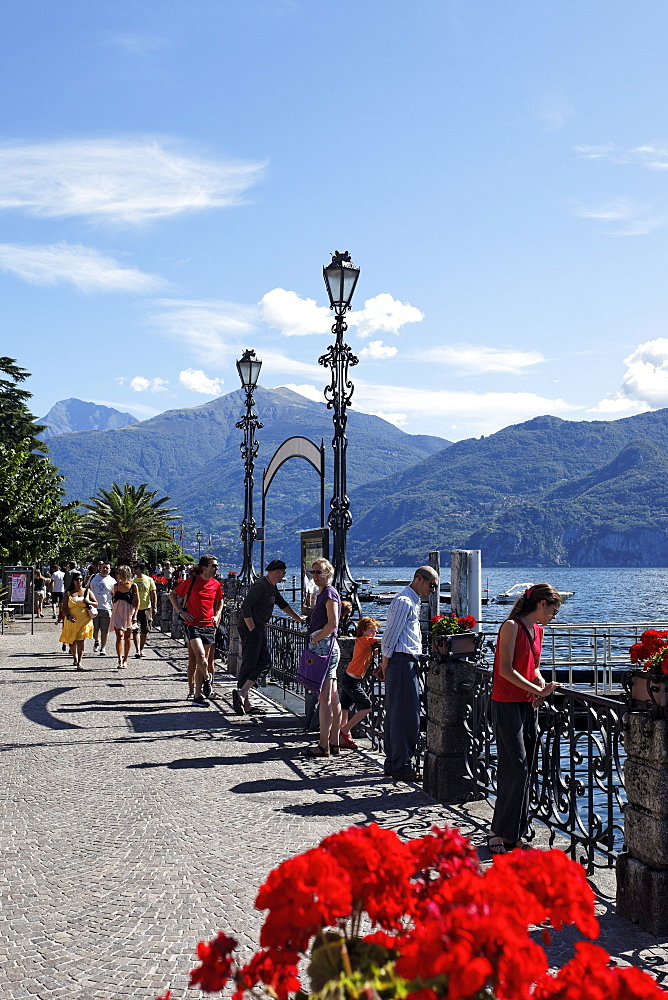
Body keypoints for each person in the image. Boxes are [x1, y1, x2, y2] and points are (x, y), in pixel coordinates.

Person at [487, 584, 561, 855]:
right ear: (541, 604)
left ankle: (514, 833)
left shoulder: (538, 630)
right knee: (515, 766)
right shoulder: (511, 626)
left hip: (526, 704)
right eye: (553, 610)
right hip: (505, 703)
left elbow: (533, 667)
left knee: (526, 766)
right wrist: (537, 690)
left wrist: (541, 683)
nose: (554, 616)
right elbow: (505, 670)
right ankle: (497, 831)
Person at [379, 566, 439, 781]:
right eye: (431, 584)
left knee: (398, 714)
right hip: (402, 661)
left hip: (403, 661)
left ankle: (395, 762)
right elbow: (390, 636)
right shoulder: (404, 601)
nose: (433, 589)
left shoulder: (411, 600)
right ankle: (402, 765)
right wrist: (385, 664)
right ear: (418, 579)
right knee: (406, 716)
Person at [233, 559, 304, 715]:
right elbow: (246, 606)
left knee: (261, 662)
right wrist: (252, 627)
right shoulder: (261, 585)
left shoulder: (272, 587)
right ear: (277, 571)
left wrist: (298, 619)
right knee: (256, 662)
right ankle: (243, 696)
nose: (283, 576)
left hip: (259, 628)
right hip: (252, 628)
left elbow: (283, 604)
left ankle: (244, 697)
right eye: (283, 573)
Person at [169, 555, 223, 707]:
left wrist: (217, 614)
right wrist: (180, 611)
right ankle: (207, 679)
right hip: (192, 624)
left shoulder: (216, 584)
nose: (216, 568)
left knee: (203, 660)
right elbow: (172, 594)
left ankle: (198, 696)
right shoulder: (192, 581)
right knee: (199, 657)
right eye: (214, 565)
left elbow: (220, 600)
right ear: (204, 567)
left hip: (208, 626)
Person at [303, 558, 342, 758]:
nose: (314, 575)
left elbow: (333, 623)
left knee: (324, 699)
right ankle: (334, 742)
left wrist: (314, 639)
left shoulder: (329, 593)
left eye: (318, 572)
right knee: (333, 698)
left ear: (328, 574)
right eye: (313, 572)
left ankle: (323, 745)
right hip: (326, 648)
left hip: (324, 649)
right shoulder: (323, 593)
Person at [339, 616, 381, 750]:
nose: (374, 633)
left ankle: (342, 737)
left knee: (345, 708)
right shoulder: (364, 640)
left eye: (375, 631)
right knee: (367, 706)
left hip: (349, 677)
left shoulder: (365, 643)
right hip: (352, 680)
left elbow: (369, 654)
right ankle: (345, 730)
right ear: (363, 631)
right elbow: (384, 640)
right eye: (371, 630)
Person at [58, 571, 98, 669]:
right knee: (72, 641)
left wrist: (89, 602)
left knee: (80, 640)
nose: (79, 581)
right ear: (73, 581)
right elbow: (64, 607)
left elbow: (96, 603)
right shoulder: (68, 593)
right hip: (71, 620)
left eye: (80, 579)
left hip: (84, 620)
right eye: (76, 579)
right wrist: (68, 616)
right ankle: (75, 658)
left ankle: (80, 662)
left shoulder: (87, 591)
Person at [109, 566, 139, 669]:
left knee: (127, 637)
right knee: (119, 636)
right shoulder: (116, 586)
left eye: (118, 573)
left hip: (129, 612)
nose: (116, 575)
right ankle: (119, 659)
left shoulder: (133, 586)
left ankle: (125, 659)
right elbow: (113, 599)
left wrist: (135, 614)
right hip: (117, 611)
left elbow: (137, 602)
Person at [131, 562, 157, 658]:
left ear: (141, 569)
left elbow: (153, 593)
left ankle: (141, 649)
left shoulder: (149, 579)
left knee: (145, 630)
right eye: (133, 567)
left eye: (136, 567)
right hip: (134, 609)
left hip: (146, 608)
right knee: (135, 629)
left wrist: (154, 607)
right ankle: (137, 650)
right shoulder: (132, 580)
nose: (134, 569)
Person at [89, 562, 116, 656]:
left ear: (110, 570)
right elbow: (88, 589)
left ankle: (103, 648)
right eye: (104, 568)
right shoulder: (93, 578)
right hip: (94, 607)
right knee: (94, 629)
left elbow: (114, 595)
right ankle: (96, 641)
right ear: (100, 568)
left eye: (107, 568)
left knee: (105, 630)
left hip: (107, 608)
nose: (105, 570)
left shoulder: (112, 581)